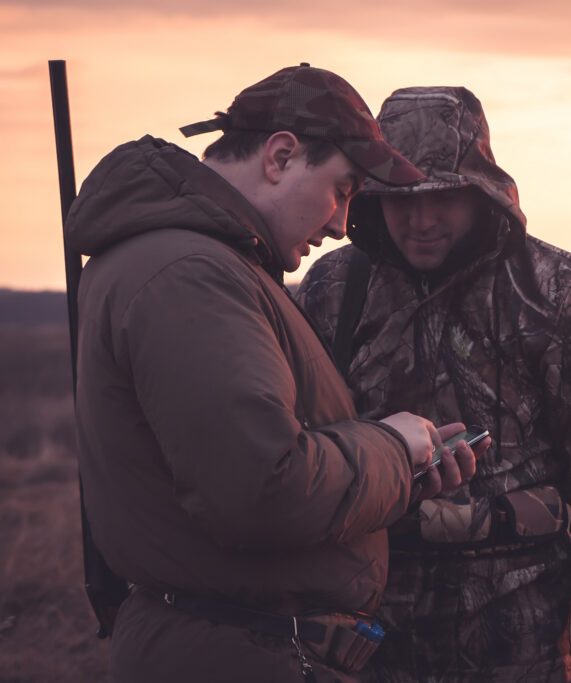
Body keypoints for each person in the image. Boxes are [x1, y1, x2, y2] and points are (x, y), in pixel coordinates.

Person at [66, 65, 486, 683]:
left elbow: (234, 476)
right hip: (236, 654)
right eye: (341, 190)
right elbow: (265, 491)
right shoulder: (191, 274)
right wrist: (394, 447)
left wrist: (396, 483)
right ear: (280, 156)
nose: (342, 223)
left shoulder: (203, 264)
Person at [297, 86, 571, 683]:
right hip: (363, 635)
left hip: (520, 638)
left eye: (442, 195)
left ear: (479, 190)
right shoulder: (332, 288)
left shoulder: (561, 291)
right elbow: (297, 457)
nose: (421, 219)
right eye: (397, 198)